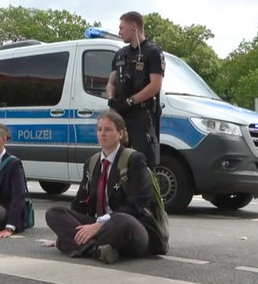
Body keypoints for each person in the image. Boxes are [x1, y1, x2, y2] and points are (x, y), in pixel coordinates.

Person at [45, 111, 169, 264]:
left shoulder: (134, 160)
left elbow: (138, 203)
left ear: (121, 133)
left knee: (123, 221)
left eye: (108, 130)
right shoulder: (92, 162)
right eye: (99, 129)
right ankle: (96, 250)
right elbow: (79, 204)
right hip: (101, 226)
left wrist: (98, 225)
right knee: (54, 213)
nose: (102, 134)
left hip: (131, 226)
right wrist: (66, 230)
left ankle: (76, 244)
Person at [106, 11, 164, 169]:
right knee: (118, 162)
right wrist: (112, 99)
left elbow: (155, 85)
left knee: (142, 162)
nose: (119, 32)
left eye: (121, 27)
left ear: (133, 26)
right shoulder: (120, 55)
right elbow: (111, 82)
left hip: (142, 116)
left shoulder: (152, 52)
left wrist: (131, 101)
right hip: (120, 115)